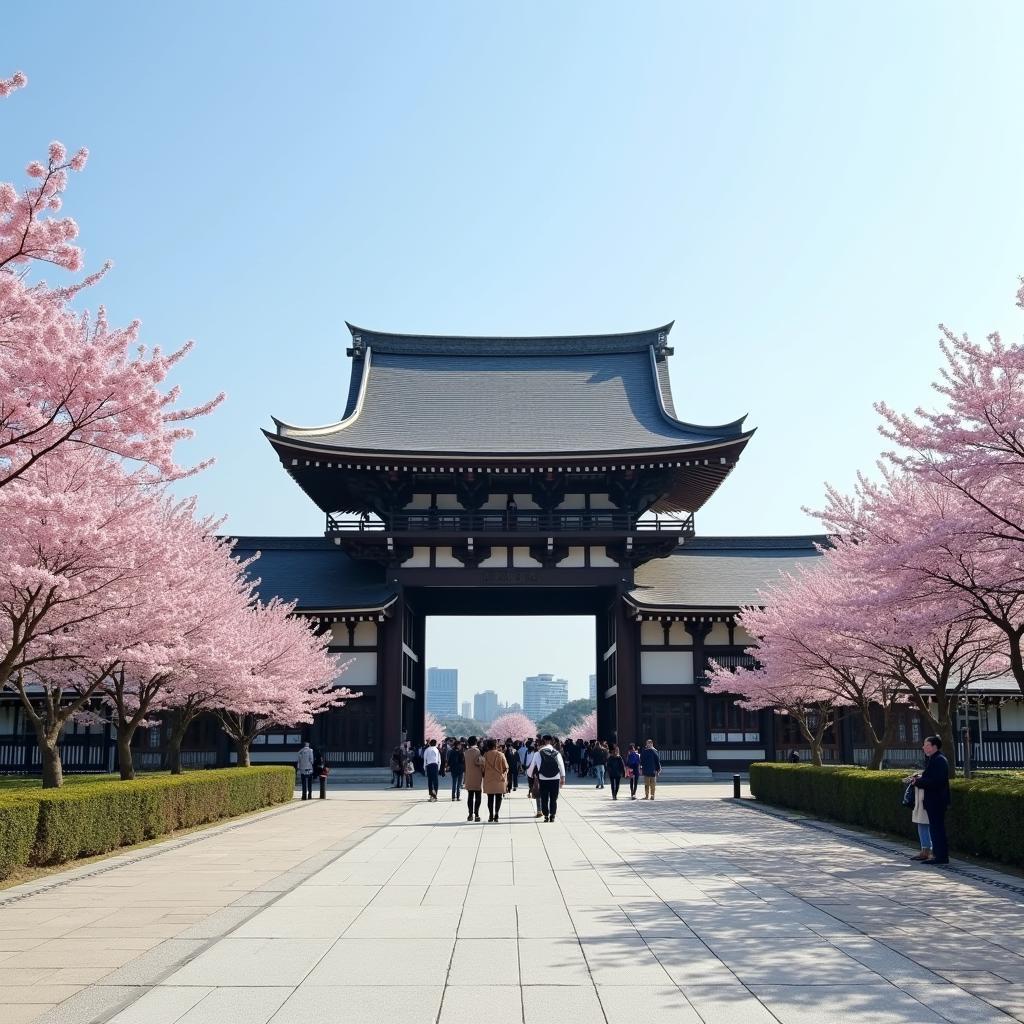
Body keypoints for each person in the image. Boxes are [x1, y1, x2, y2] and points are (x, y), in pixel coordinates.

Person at [913, 735, 951, 865]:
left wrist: (918, 782)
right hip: (933, 800)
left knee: (937, 828)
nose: (924, 747)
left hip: (937, 800)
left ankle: (941, 857)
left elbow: (936, 782)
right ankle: (938, 855)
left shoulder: (939, 760)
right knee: (935, 828)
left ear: (934, 746)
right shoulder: (933, 759)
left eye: (927, 745)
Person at [527, 734, 565, 823]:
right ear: (552, 742)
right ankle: (552, 815)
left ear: (543, 742)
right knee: (553, 798)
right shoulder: (556, 752)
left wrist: (531, 776)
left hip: (543, 778)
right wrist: (563, 777)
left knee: (544, 798)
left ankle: (546, 816)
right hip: (555, 778)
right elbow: (561, 765)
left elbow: (531, 767)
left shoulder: (538, 753)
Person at [903, 762, 932, 863]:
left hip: (925, 802)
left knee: (925, 825)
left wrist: (917, 779)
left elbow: (930, 781)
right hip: (920, 803)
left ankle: (927, 850)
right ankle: (925, 849)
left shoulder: (937, 763)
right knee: (922, 825)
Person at [482, 738, 509, 822]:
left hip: (489, 779)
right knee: (499, 797)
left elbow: (482, 768)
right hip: (499, 779)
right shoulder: (501, 755)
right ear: (495, 745)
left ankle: (490, 815)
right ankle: (496, 813)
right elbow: (506, 767)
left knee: (490, 798)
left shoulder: (485, 755)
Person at [464, 735, 484, 822]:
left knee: (470, 796)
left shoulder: (466, 752)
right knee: (478, 796)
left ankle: (470, 814)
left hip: (469, 776)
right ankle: (477, 814)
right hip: (477, 776)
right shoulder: (477, 751)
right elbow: (479, 762)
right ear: (476, 742)